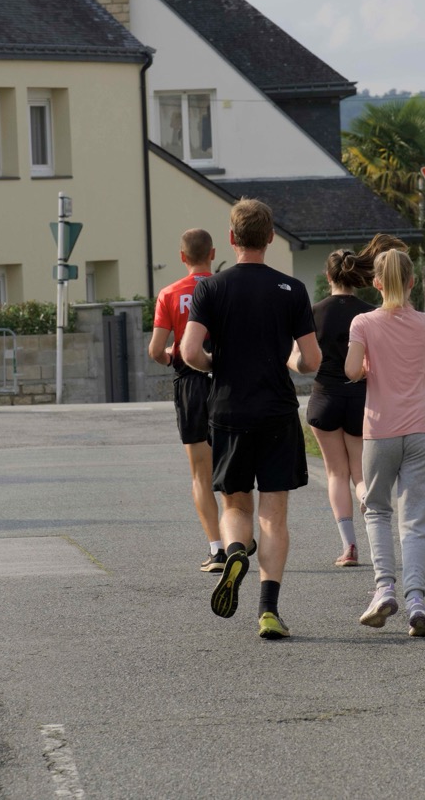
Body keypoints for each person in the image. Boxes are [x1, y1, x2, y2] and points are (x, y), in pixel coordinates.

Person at [181, 198, 321, 640]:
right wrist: (290, 361)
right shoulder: (291, 289)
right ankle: (268, 610)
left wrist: (215, 366)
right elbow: (311, 360)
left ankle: (236, 551)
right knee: (274, 514)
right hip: (277, 410)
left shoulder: (210, 288)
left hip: (227, 410)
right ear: (271, 237)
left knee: (236, 505)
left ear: (231, 238)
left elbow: (189, 352)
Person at [345, 248, 425, 637]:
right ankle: (417, 600)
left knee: (377, 510)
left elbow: (351, 370)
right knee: (414, 519)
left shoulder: (363, 323)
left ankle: (384, 589)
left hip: (380, 430)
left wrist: (368, 366)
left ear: (377, 282)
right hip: (420, 429)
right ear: (412, 281)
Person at [149, 228, 226, 574]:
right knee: (232, 465)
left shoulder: (169, 293)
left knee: (200, 474)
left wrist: (169, 356)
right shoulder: (226, 288)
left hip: (190, 385)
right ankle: (239, 536)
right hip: (228, 381)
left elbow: (155, 350)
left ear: (182, 257)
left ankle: (217, 549)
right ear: (213, 253)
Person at [307, 249, 375, 567]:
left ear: (328, 276)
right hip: (360, 398)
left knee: (335, 473)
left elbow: (304, 359)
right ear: (356, 276)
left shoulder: (313, 313)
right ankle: (367, 498)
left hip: (324, 398)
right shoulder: (371, 314)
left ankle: (349, 547)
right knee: (360, 472)